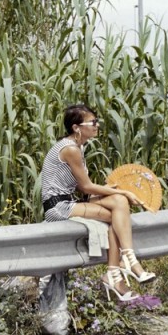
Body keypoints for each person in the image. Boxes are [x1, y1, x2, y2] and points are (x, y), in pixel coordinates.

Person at [40, 103, 156, 302]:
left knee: (118, 203)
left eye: (97, 122)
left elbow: (80, 187)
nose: (97, 126)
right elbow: (86, 186)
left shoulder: (77, 147)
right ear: (77, 127)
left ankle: (119, 269)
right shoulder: (70, 149)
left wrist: (116, 192)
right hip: (58, 207)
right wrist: (126, 192)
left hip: (69, 201)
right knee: (118, 214)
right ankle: (126, 265)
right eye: (92, 122)